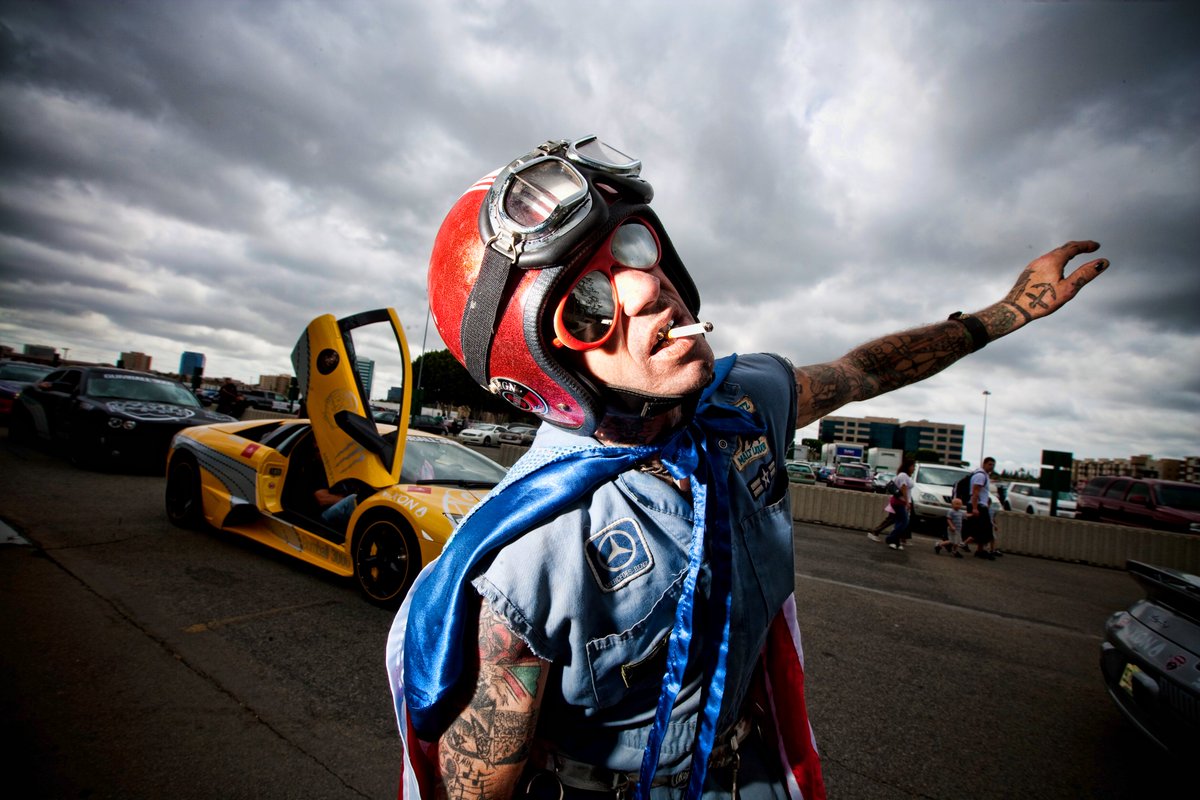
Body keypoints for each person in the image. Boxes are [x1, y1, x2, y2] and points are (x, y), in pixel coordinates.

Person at [385, 136, 1108, 799]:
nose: (647, 288)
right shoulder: (528, 554)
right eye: (589, 304)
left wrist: (1008, 311)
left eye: (633, 249)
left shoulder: (745, 402)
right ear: (536, 367)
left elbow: (863, 372)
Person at [963, 457, 998, 560]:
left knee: (982, 529)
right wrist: (974, 508)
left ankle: (980, 550)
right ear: (984, 464)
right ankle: (978, 550)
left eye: (993, 465)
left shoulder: (984, 475)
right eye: (990, 464)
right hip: (978, 505)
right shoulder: (980, 475)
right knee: (982, 528)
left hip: (981, 505)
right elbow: (975, 492)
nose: (991, 467)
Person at [884, 459, 915, 551]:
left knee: (899, 522)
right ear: (908, 466)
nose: (913, 468)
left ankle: (895, 542)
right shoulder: (903, 475)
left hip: (901, 502)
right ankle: (890, 538)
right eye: (913, 466)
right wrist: (907, 502)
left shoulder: (905, 476)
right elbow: (903, 489)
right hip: (899, 502)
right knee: (904, 522)